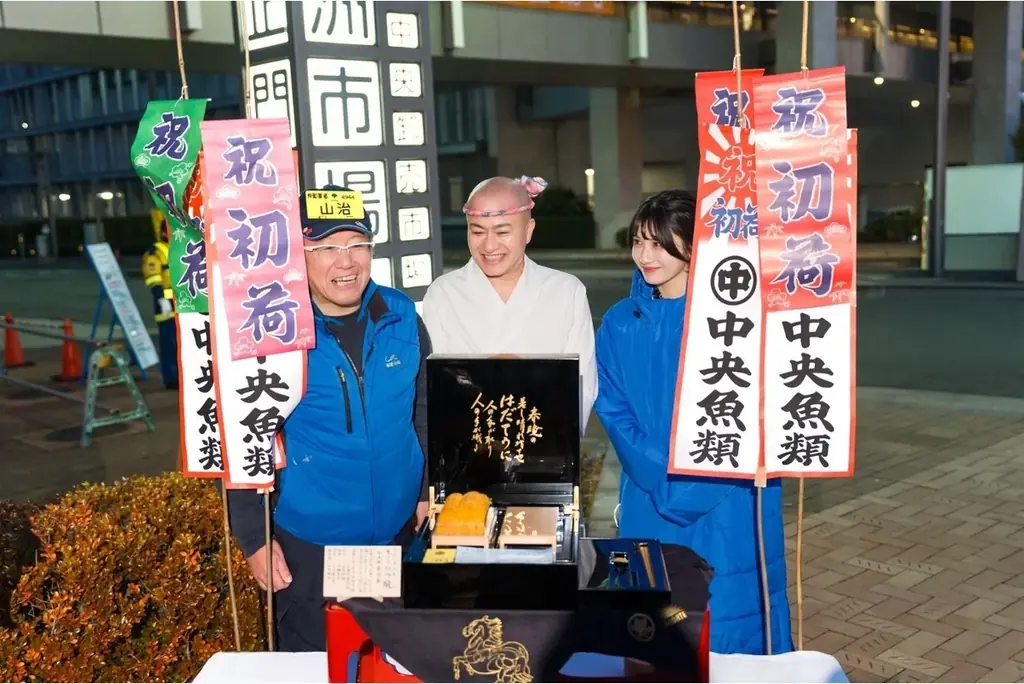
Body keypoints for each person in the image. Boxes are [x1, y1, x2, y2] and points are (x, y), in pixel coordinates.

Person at [228, 185, 431, 652]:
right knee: (322, 663)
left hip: (396, 535)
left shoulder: (401, 315)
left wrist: (424, 490)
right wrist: (254, 538)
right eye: (327, 248)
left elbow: (423, 408)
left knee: (390, 660)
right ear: (298, 255)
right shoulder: (273, 329)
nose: (346, 262)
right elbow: (244, 434)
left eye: (358, 244)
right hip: (312, 544)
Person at [593, 190, 791, 656]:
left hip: (729, 497)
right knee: (656, 632)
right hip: (651, 494)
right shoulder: (620, 322)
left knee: (730, 622)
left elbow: (767, 405)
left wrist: (696, 473)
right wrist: (666, 471)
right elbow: (613, 408)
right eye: (638, 242)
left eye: (660, 243)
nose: (646, 255)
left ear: (693, 244)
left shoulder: (737, 320)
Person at [421, 176, 598, 429]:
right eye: (477, 231)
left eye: (502, 232)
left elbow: (583, 384)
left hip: (545, 440)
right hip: (468, 441)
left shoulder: (566, 291)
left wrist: (554, 440)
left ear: (528, 230)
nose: (489, 245)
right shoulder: (443, 293)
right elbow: (436, 386)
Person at [142, 208, 177, 390]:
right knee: (169, 343)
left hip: (182, 303)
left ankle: (181, 376)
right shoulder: (155, 252)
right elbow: (154, 279)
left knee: (183, 343)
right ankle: (172, 378)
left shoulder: (177, 248)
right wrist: (162, 300)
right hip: (166, 305)